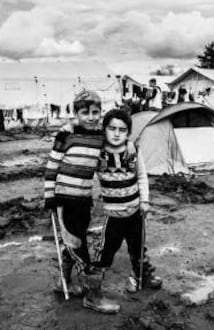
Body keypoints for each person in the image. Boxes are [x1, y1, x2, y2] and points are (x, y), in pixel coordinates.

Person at [44, 89, 120, 314]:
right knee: (79, 247)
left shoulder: (99, 137)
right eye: (85, 112)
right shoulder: (65, 135)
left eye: (96, 112)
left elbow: (104, 162)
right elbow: (51, 168)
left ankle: (63, 283)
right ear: (76, 113)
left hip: (84, 201)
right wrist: (49, 196)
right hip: (64, 200)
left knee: (74, 241)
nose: (91, 117)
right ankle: (92, 296)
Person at [93, 109, 162, 293]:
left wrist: (145, 201)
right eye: (112, 128)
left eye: (122, 130)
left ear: (128, 133)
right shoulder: (98, 154)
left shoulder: (133, 151)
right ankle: (94, 283)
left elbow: (142, 176)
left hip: (135, 212)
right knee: (106, 250)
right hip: (113, 216)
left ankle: (142, 276)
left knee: (138, 248)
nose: (116, 134)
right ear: (104, 130)